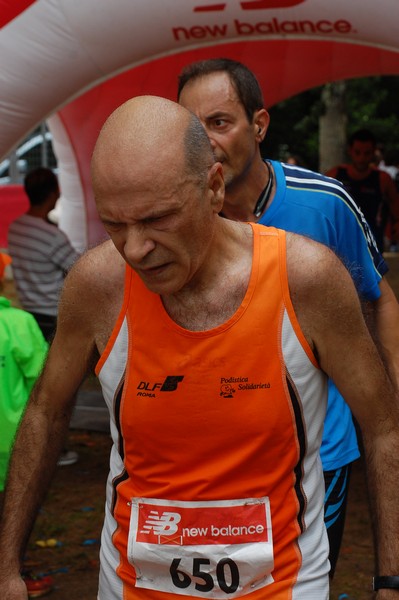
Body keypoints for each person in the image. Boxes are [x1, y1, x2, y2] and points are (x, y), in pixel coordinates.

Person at [1, 95, 399, 600]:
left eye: (158, 219)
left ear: (213, 188)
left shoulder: (307, 278)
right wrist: (6, 563)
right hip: (129, 586)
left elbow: (384, 424)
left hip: (280, 587)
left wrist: (391, 578)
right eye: (115, 225)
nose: (137, 249)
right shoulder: (99, 283)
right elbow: (44, 411)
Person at [176, 57, 399, 577]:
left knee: (298, 583)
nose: (205, 139)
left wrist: (389, 395)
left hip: (317, 457)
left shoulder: (323, 204)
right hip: (214, 458)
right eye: (192, 126)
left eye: (220, 122)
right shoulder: (175, 215)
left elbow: (380, 297)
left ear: (258, 125)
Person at [7, 167, 80, 467]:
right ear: (53, 193)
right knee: (58, 389)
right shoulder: (52, 236)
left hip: (31, 314)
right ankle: (53, 450)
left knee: (36, 387)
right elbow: (78, 269)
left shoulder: (16, 228)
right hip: (54, 317)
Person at [0, 253, 53, 598]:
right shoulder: (18, 323)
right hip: (12, 445)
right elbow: (44, 382)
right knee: (12, 515)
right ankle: (14, 574)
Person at [326, 128, 399, 253]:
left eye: (367, 153)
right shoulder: (336, 174)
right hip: (340, 242)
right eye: (357, 152)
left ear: (373, 153)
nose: (362, 158)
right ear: (350, 151)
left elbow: (396, 209)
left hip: (372, 244)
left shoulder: (382, 179)